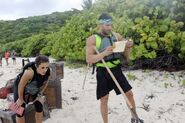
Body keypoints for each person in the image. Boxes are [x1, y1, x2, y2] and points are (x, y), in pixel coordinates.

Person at [86, 13, 143, 123]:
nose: (110, 27)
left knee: (129, 94)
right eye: (107, 25)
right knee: (104, 99)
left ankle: (134, 118)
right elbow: (89, 59)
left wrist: (128, 47)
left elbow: (126, 57)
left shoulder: (116, 36)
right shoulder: (92, 39)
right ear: (100, 24)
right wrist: (104, 53)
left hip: (116, 69)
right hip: (103, 71)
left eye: (111, 25)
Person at [13, 55, 50, 123]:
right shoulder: (29, 72)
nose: (45, 70)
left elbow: (46, 82)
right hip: (20, 85)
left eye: (46, 67)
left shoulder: (48, 71)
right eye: (42, 67)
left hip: (34, 87)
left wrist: (40, 94)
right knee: (19, 111)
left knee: (39, 107)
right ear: (36, 66)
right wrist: (21, 99)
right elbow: (21, 86)